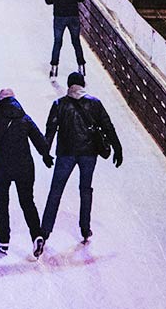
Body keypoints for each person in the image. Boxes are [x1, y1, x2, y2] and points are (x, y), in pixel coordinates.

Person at [0, 89, 54, 258]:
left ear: (0, 101)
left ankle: (4, 241)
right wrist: (45, 155)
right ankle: (36, 235)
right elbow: (39, 139)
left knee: (2, 203)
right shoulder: (24, 119)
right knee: (27, 202)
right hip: (24, 166)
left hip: (2, 167)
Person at [41, 72, 123, 245]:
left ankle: (45, 230)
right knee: (85, 190)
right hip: (88, 153)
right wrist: (117, 148)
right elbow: (108, 127)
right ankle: (85, 228)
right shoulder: (95, 103)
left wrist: (45, 153)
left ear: (69, 85)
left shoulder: (59, 104)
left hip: (65, 153)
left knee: (56, 190)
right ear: (83, 84)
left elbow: (50, 131)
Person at [45, 0, 86, 78]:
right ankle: (81, 66)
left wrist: (57, 0)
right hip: (73, 15)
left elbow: (48, 0)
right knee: (76, 41)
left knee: (57, 42)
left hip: (59, 16)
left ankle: (54, 67)